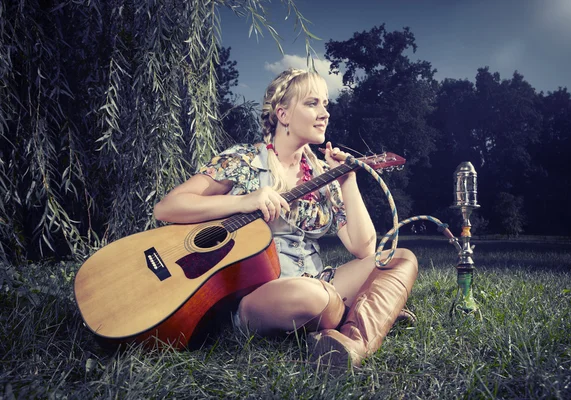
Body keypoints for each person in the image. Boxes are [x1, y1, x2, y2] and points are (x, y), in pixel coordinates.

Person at [153, 68, 418, 367]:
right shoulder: (243, 160)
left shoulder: (323, 174)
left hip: (318, 281)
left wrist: (348, 180)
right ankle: (361, 312)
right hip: (260, 295)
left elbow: (364, 250)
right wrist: (244, 201)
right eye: (312, 103)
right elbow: (168, 207)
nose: (324, 113)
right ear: (283, 114)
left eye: (326, 104)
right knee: (315, 298)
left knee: (400, 258)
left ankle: (352, 345)